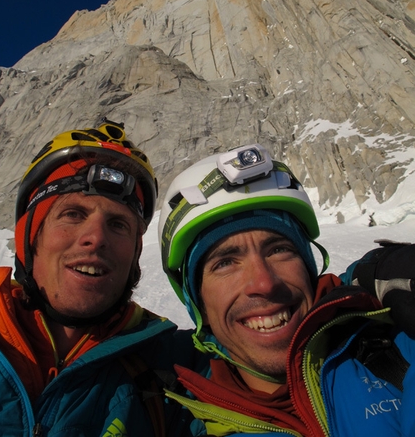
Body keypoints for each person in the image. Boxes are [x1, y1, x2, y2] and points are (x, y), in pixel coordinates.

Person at [158, 143, 415, 436]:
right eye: (225, 262)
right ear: (197, 300)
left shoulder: (399, 343)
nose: (265, 283)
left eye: (279, 249)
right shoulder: (175, 421)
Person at [0, 119, 196, 437]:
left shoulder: (173, 372)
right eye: (73, 214)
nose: (96, 238)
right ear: (31, 238)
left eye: (118, 224)